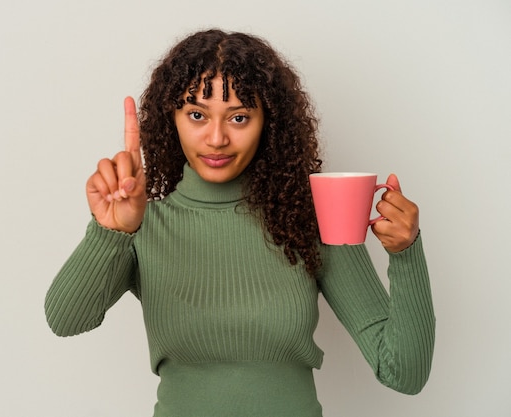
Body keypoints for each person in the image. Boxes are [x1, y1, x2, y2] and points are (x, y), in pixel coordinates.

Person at [44, 29, 435, 417]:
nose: (216, 138)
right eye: (197, 114)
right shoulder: (142, 224)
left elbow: (403, 372)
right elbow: (66, 320)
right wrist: (110, 232)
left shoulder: (310, 220)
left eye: (239, 117)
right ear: (172, 118)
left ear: (269, 123)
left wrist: (406, 254)